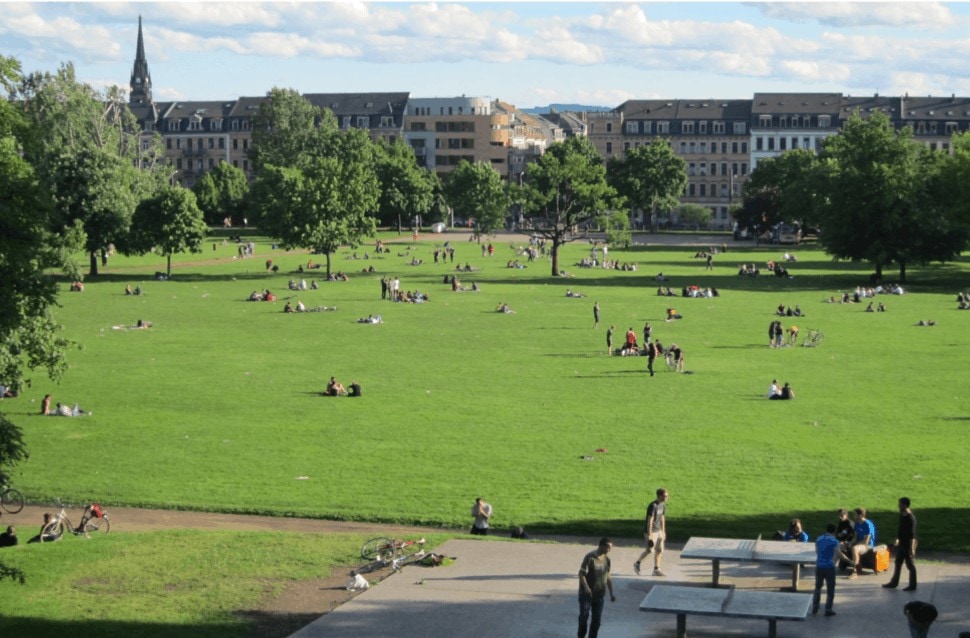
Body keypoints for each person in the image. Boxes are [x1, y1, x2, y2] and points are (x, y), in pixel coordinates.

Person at [578, 537, 615, 638]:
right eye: (607, 547)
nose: (609, 550)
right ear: (601, 546)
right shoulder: (590, 557)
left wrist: (611, 593)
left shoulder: (607, 560)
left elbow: (608, 575)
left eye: (610, 548)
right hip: (586, 595)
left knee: (596, 621)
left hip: (599, 596)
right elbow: (581, 574)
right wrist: (586, 587)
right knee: (583, 618)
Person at [884, 496, 918, 591]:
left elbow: (912, 535)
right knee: (898, 562)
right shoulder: (902, 515)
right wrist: (897, 540)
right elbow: (900, 530)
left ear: (904, 505)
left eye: (900, 504)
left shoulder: (911, 518)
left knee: (910, 564)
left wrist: (912, 549)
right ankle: (894, 582)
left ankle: (913, 585)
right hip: (901, 544)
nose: (898, 506)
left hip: (908, 544)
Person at [634, 488, 668, 576]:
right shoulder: (653, 506)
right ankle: (637, 563)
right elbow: (650, 520)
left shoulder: (663, 505)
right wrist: (649, 535)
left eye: (667, 496)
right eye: (665, 496)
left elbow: (662, 518)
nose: (667, 497)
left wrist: (663, 531)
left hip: (659, 530)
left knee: (660, 550)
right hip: (651, 531)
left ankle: (656, 569)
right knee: (650, 550)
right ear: (659, 496)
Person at [813, 523, 841, 616]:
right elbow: (838, 553)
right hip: (829, 567)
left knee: (818, 588)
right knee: (830, 589)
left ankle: (815, 607)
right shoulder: (834, 541)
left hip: (819, 566)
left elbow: (817, 551)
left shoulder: (819, 539)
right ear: (834, 531)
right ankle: (828, 609)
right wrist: (850, 561)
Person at [849, 507, 876, 578]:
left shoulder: (868, 524)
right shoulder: (857, 524)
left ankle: (855, 571)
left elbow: (866, 541)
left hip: (868, 545)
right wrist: (850, 543)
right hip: (859, 543)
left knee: (855, 548)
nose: (854, 516)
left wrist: (855, 545)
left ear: (860, 515)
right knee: (842, 546)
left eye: (855, 514)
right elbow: (855, 537)